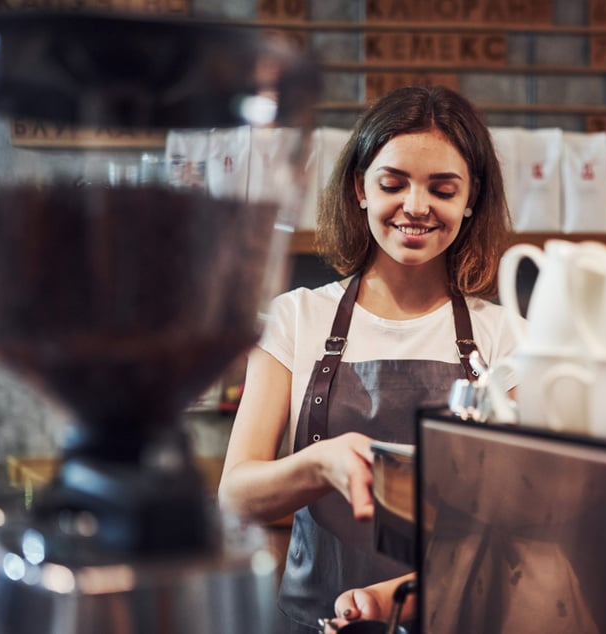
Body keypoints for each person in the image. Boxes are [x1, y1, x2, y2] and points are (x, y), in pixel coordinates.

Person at [218, 84, 520, 633]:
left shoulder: (502, 335)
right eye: (393, 183)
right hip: (316, 623)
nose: (416, 206)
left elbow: (517, 516)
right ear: (360, 187)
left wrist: (395, 598)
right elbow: (235, 496)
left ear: (471, 198)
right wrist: (320, 463)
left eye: (443, 189)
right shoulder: (295, 319)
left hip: (455, 617)